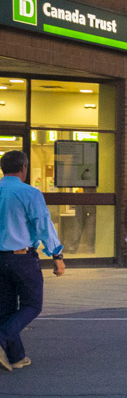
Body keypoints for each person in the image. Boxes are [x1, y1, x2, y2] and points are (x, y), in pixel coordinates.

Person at [0, 149, 66, 372]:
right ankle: (1, 339)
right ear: (24, 168)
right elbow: (43, 225)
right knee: (32, 304)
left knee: (6, 309)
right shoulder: (29, 193)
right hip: (21, 257)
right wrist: (56, 254)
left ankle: (16, 357)